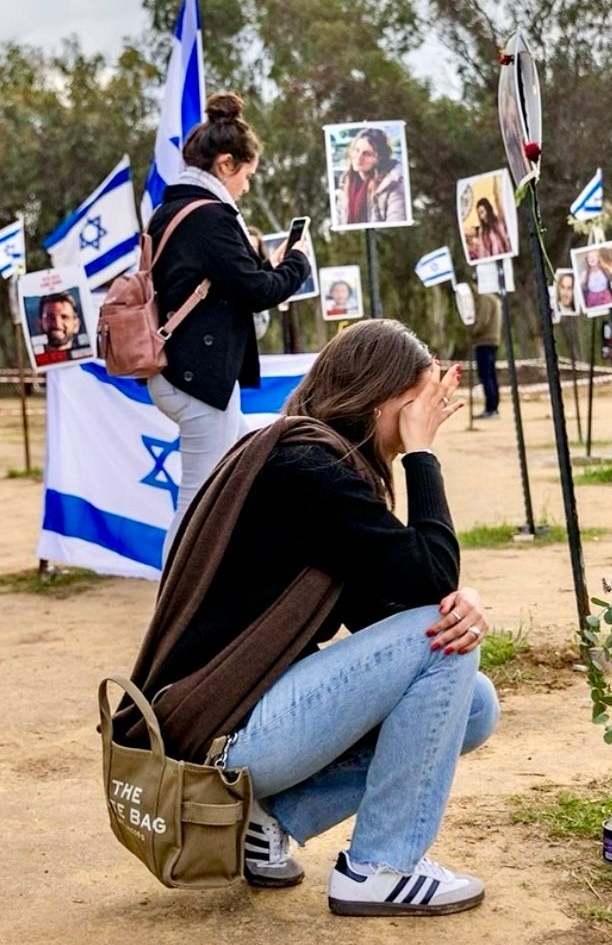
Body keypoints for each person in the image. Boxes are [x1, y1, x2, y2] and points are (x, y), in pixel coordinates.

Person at [115, 319, 498, 916]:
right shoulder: (307, 469)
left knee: (473, 704)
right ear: (380, 401)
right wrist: (423, 456)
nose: (430, 417)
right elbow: (428, 585)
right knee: (441, 643)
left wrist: (456, 602)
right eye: (419, 403)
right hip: (222, 738)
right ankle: (380, 865)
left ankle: (269, 822)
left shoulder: (309, 461)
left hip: (239, 724)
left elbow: (387, 606)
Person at [148, 92, 311, 562]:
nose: (246, 187)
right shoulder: (211, 217)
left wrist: (270, 265)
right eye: (247, 176)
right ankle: (175, 604)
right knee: (198, 498)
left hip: (183, 372)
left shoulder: (174, 211)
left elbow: (236, 277)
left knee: (252, 458)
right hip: (199, 377)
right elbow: (258, 290)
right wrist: (297, 262)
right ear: (225, 164)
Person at [332, 127, 408, 227]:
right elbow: (339, 222)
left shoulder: (393, 185)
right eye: (356, 150)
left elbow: (397, 226)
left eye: (367, 154)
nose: (359, 158)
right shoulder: (346, 183)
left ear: (380, 157)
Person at [34, 291, 88, 365]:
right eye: (50, 317)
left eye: (64, 317)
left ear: (76, 325)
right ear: (39, 324)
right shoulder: (32, 363)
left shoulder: (91, 365)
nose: (57, 324)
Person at [471, 290, 501, 418]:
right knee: (491, 375)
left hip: (484, 341)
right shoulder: (495, 298)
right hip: (493, 340)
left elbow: (483, 320)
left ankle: (490, 408)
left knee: (485, 375)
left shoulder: (486, 299)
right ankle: (493, 407)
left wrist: (473, 331)